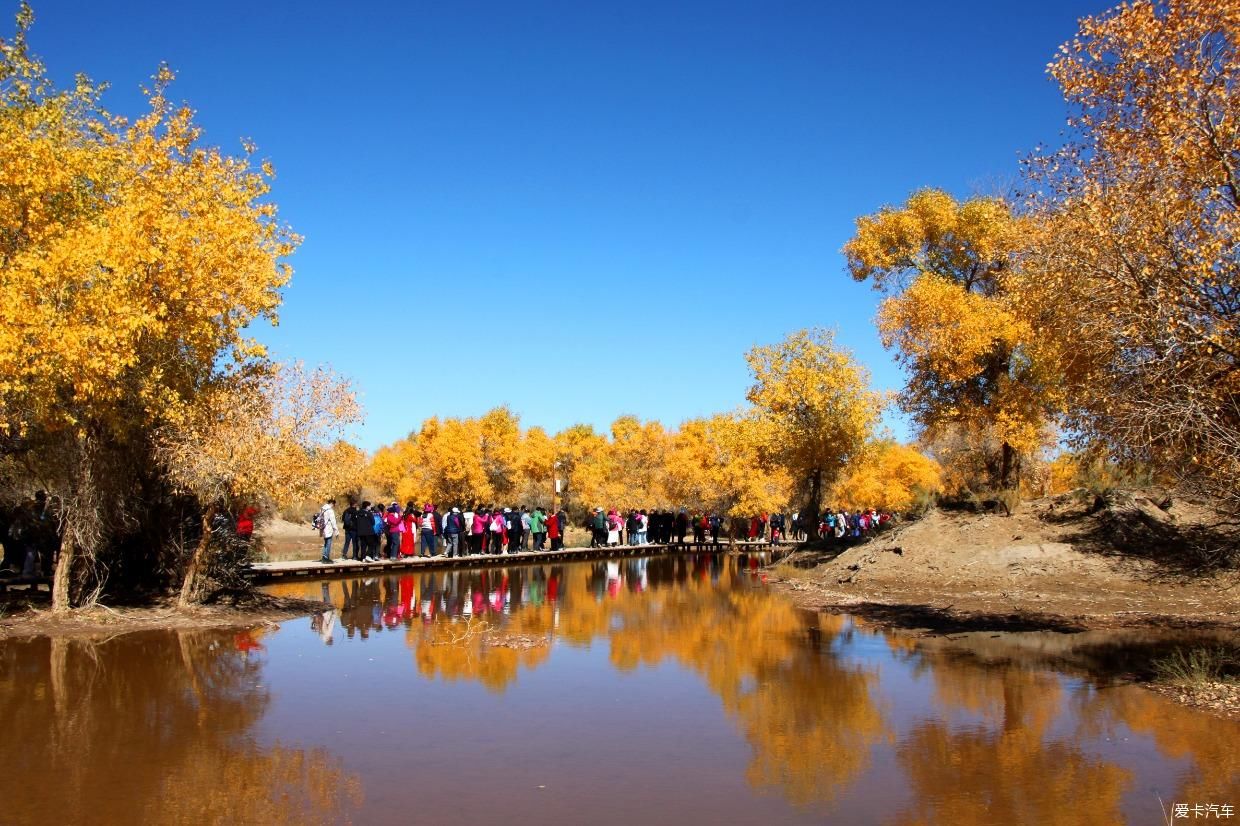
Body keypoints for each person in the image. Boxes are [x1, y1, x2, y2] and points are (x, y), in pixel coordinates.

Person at [316, 498, 337, 564]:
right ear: (332, 503)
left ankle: (324, 557)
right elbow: (333, 521)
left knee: (325, 542)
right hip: (328, 528)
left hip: (323, 528)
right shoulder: (330, 510)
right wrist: (336, 530)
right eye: (334, 504)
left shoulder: (322, 508)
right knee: (328, 543)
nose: (333, 506)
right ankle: (326, 558)